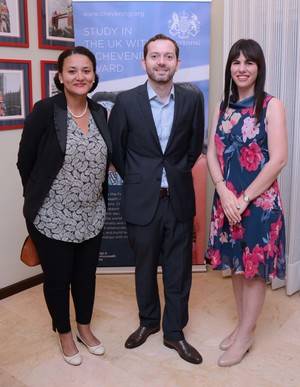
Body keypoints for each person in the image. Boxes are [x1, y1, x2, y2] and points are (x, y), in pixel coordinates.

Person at [109, 34, 204, 364]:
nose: (161, 62)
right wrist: (141, 178)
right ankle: (148, 322)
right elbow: (117, 152)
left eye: (168, 56)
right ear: (144, 62)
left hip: (177, 199)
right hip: (141, 199)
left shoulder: (193, 100)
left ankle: (174, 332)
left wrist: (173, 175)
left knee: (178, 271)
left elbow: (193, 150)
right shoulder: (126, 102)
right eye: (155, 56)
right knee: (144, 268)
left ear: (178, 62)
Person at [17, 46, 112, 366]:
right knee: (58, 279)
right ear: (60, 76)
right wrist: (37, 200)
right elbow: (25, 160)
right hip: (52, 216)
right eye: (72, 70)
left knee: (86, 276)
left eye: (86, 70)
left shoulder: (100, 112)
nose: (80, 76)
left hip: (91, 213)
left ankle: (84, 327)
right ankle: (64, 332)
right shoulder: (46, 110)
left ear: (94, 75)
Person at [206, 39, 287, 367]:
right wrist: (223, 192)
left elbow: (278, 159)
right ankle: (243, 327)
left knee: (253, 271)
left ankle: (246, 335)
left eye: (248, 63)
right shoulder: (221, 106)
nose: (241, 68)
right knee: (237, 267)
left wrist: (243, 197)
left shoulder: (270, 105)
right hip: (227, 202)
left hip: (257, 205)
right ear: (230, 68)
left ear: (258, 68)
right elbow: (211, 152)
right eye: (236, 62)